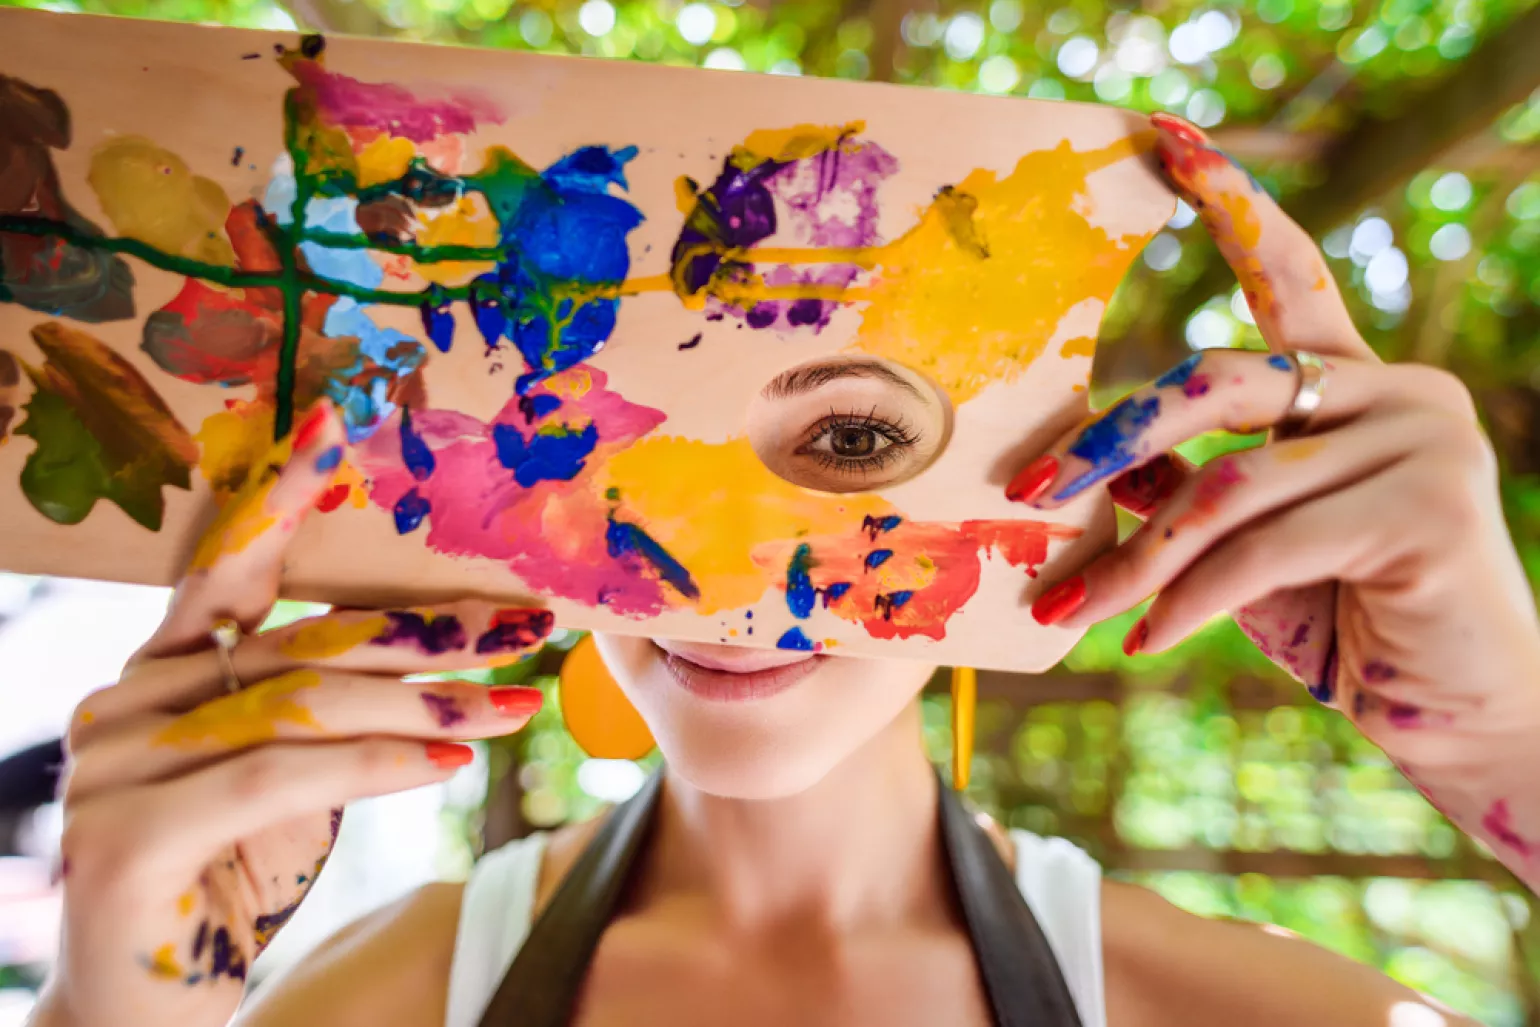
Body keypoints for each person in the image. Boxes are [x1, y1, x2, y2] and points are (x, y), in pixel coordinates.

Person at [27, 115, 1539, 1027]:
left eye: (858, 432)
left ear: (1046, 489)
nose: (710, 561)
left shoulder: (1220, 1012)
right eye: (601, 439)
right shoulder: (373, 1002)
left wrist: (1509, 740)